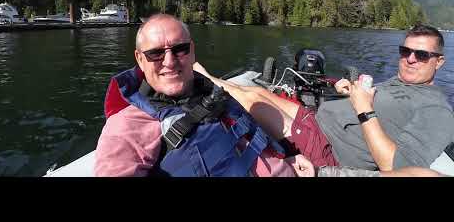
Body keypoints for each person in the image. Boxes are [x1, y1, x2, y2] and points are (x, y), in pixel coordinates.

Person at [192, 24, 454, 173]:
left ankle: (201, 78)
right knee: (259, 91)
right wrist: (352, 92)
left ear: (439, 62)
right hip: (316, 120)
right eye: (405, 50)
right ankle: (209, 77)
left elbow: (396, 168)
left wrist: (364, 109)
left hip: (328, 149)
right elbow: (382, 109)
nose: (410, 59)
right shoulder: (399, 83)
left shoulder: (437, 110)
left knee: (248, 101)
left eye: (421, 55)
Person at [95, 13, 305, 177]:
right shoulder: (126, 128)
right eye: (156, 53)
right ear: (140, 59)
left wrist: (288, 160)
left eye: (180, 49)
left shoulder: (209, 93)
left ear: (192, 51)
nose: (169, 61)